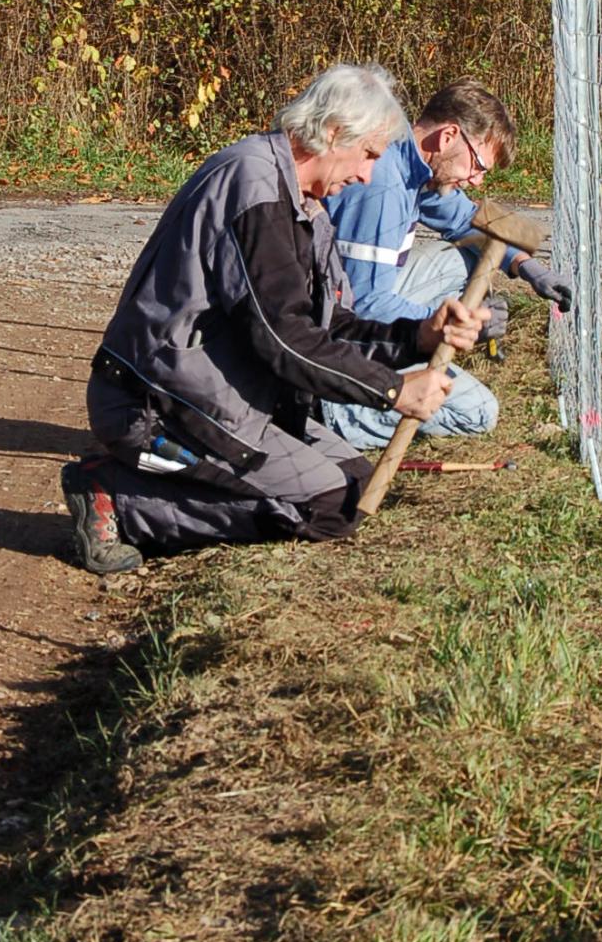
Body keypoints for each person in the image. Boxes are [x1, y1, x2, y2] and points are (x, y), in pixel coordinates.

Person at [60, 63, 484, 575]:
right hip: (157, 399)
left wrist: (418, 336)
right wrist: (392, 391)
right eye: (369, 154)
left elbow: (331, 328)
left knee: (356, 483)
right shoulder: (254, 185)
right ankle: (121, 501)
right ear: (333, 133)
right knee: (330, 506)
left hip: (232, 392)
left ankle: (160, 489)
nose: (368, 174)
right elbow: (282, 338)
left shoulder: (306, 205)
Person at [320, 79, 572, 449]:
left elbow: (465, 219)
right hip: (339, 330)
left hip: (363, 295)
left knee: (461, 257)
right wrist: (450, 325)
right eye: (479, 165)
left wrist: (526, 267)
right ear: (449, 136)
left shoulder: (412, 162)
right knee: (477, 411)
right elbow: (365, 305)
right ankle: (333, 408)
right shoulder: (382, 187)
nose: (478, 179)